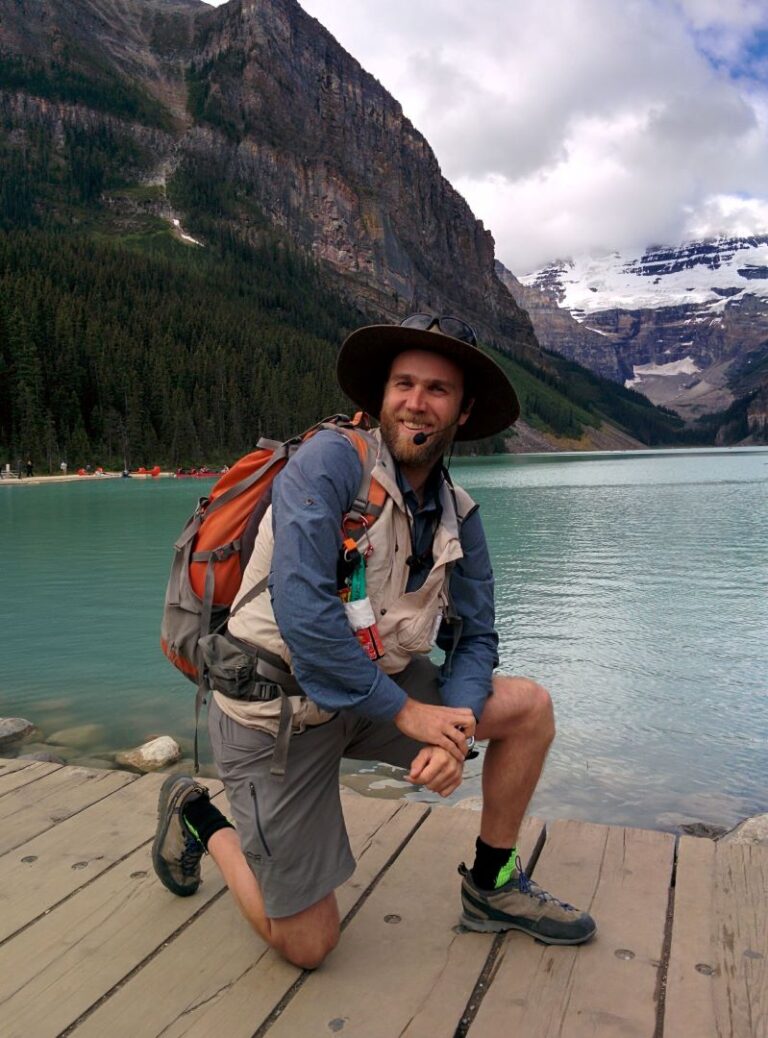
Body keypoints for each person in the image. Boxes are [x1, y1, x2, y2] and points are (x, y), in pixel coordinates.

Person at [152, 313, 596, 968]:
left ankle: (493, 884)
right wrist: (409, 713)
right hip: (278, 713)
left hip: (369, 696)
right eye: (404, 384)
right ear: (381, 398)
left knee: (527, 710)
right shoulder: (329, 462)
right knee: (308, 945)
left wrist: (459, 722)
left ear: (463, 412)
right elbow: (303, 612)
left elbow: (477, 636)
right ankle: (198, 816)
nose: (416, 401)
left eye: (437, 389)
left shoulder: (457, 514)